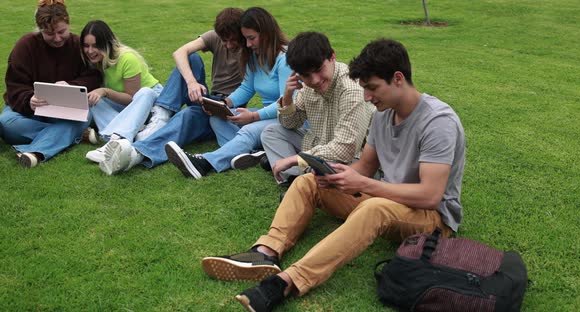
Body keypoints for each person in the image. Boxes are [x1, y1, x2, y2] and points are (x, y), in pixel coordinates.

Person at [201, 38, 466, 312]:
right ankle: (265, 252)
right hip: (388, 201)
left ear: (398, 79)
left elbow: (431, 196)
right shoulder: (382, 115)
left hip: (432, 220)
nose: (367, 97)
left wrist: (364, 183)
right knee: (308, 182)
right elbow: (364, 166)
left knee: (375, 208)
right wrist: (336, 177)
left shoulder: (438, 122)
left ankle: (287, 281)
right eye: (365, 89)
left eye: (372, 88)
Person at [96, 7, 244, 175]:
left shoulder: (251, 46)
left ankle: (135, 154)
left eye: (233, 40)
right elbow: (179, 52)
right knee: (191, 58)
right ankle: (161, 116)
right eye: (224, 40)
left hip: (229, 109)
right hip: (209, 100)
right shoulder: (215, 36)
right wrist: (191, 82)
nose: (228, 45)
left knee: (186, 115)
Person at [164, 7, 291, 179]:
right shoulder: (255, 56)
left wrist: (254, 117)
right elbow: (247, 88)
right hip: (268, 114)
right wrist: (225, 104)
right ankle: (253, 153)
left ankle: (204, 163)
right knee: (218, 118)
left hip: (286, 118)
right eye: (246, 39)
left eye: (251, 38)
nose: (247, 44)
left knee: (249, 131)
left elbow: (287, 103)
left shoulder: (285, 58)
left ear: (267, 33)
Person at [260, 32, 373, 184]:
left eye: (319, 69)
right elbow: (289, 124)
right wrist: (287, 96)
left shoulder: (350, 89)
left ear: (332, 57)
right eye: (306, 75)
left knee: (343, 167)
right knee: (271, 132)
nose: (315, 80)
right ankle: (296, 178)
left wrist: (296, 159)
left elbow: (346, 149)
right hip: (320, 145)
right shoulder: (307, 86)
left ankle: (296, 175)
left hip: (353, 157)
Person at [0, 0, 101, 168]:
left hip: (67, 111)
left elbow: (93, 76)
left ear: (69, 23)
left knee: (84, 118)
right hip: (29, 111)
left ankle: (36, 153)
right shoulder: (25, 46)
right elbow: (14, 85)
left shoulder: (78, 44)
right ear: (40, 30)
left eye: (62, 32)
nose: (57, 38)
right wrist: (28, 100)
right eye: (49, 33)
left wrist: (71, 85)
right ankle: (75, 134)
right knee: (6, 124)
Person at [81, 20, 162, 163]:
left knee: (145, 92)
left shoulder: (127, 58)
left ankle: (115, 141)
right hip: (122, 105)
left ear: (106, 44)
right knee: (94, 100)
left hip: (147, 102)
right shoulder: (94, 61)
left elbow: (132, 98)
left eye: (95, 46)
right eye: (86, 46)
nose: (90, 51)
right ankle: (126, 135)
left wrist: (105, 91)